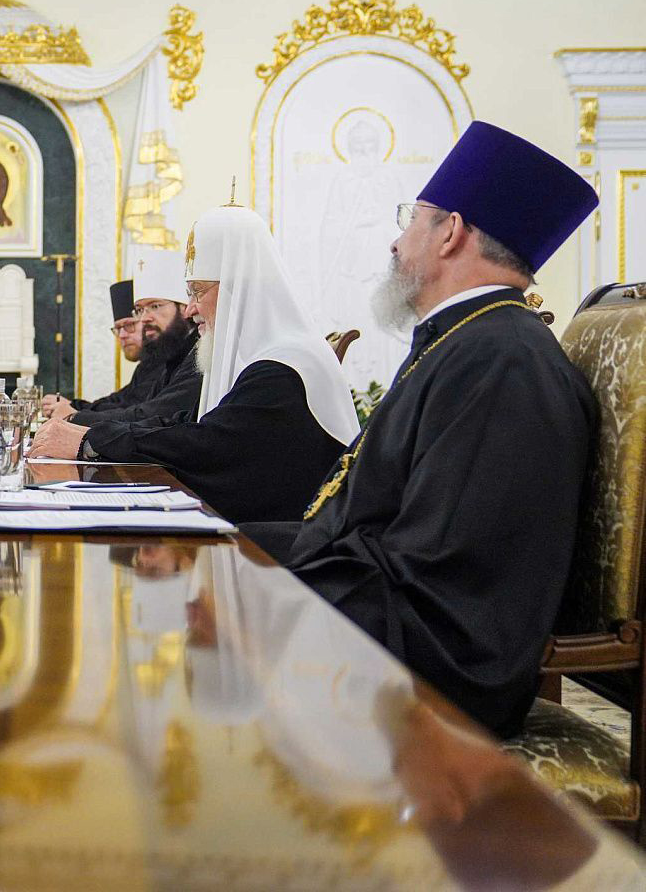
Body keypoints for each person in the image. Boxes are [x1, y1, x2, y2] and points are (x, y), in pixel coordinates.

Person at [242, 121, 598, 739]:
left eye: (411, 219)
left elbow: (439, 576)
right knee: (209, 558)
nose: (395, 242)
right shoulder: (466, 339)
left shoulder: (501, 360)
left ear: (451, 233)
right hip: (396, 615)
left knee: (212, 602)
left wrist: (266, 579)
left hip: (441, 672)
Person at [28, 205, 358, 523]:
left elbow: (208, 445)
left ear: (236, 289)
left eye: (197, 292)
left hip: (290, 548)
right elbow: (182, 422)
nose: (190, 310)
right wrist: (89, 434)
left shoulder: (284, 365)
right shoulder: (253, 357)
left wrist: (89, 442)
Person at [42, 248, 202, 429]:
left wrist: (75, 416)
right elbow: (128, 403)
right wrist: (75, 409)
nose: (145, 318)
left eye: (155, 306)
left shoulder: (199, 354)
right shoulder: (172, 355)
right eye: (140, 310)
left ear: (185, 308)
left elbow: (153, 415)